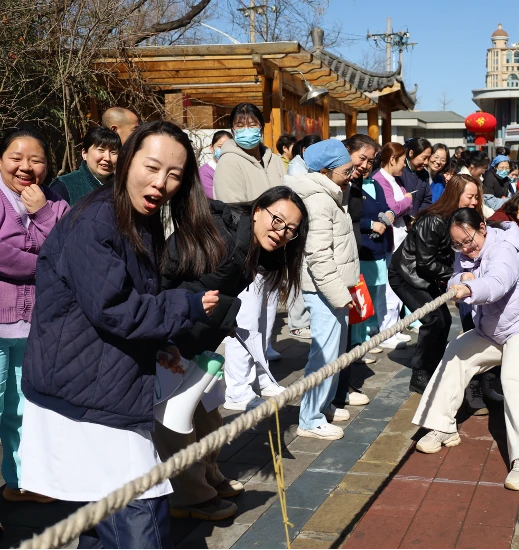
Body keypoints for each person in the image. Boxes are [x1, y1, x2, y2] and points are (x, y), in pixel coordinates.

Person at [19, 121, 223, 548]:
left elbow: (123, 303)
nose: (161, 183)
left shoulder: (136, 217)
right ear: (127, 161)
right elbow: (116, 309)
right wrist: (183, 308)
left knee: (100, 526)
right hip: (86, 397)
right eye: (152, 167)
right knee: (139, 524)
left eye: (174, 175)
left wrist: (159, 345)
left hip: (102, 385)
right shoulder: (97, 219)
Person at [155, 186, 308, 521]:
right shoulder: (222, 238)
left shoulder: (249, 245)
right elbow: (175, 285)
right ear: (258, 210)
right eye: (277, 220)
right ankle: (191, 496)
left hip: (196, 338)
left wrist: (220, 318)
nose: (282, 233)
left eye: (291, 230)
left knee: (209, 411)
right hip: (167, 337)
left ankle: (209, 476)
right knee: (175, 420)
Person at [412, 208, 519, 491]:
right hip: (492, 330)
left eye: (468, 240)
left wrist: (470, 289)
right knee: (456, 351)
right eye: (458, 244)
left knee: (514, 377)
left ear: (482, 227)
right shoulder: (464, 253)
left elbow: (497, 283)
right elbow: (455, 278)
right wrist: (459, 283)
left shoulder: (505, 249)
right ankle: (441, 426)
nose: (465, 248)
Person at [0, 127, 69, 504]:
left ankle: (22, 480)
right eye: (16, 157)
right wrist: (45, 263)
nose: (25, 167)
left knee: (28, 409)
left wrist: (40, 212)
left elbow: (68, 250)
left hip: (36, 327)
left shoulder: (54, 201)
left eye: (36, 159)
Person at [214, 103, 290, 409]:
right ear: (233, 128)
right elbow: (233, 208)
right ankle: (237, 388)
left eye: (252, 122)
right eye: (240, 123)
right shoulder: (230, 161)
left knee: (265, 319)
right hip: (245, 250)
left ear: (261, 125)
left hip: (275, 248)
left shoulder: (273, 159)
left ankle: (261, 374)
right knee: (244, 320)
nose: (247, 129)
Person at [284, 140, 359, 440]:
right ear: (326, 171)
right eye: (346, 169)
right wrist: (341, 295)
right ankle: (310, 418)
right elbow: (318, 255)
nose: (352, 174)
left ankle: (322, 406)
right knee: (324, 354)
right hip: (325, 289)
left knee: (334, 351)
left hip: (334, 288)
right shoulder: (318, 200)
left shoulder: (329, 195)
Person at [389, 175, 482, 394]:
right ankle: (421, 375)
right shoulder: (433, 220)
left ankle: (435, 367)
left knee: (445, 319)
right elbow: (425, 263)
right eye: (470, 197)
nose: (474, 202)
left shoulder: (455, 219)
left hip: (429, 275)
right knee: (433, 320)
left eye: (476, 197)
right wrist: (459, 276)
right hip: (407, 275)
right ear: (455, 195)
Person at [345, 153, 393, 376]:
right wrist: (372, 224)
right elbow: (353, 217)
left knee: (373, 294)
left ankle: (366, 338)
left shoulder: (374, 183)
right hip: (362, 248)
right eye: (362, 161)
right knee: (359, 299)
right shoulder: (351, 186)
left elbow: (385, 205)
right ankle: (358, 342)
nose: (366, 167)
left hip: (379, 248)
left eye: (370, 162)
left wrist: (389, 215)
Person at [373, 142, 415, 350]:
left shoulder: (393, 180)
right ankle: (386, 331)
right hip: (389, 241)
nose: (404, 166)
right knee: (388, 290)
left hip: (399, 238)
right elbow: (391, 208)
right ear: (392, 160)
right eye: (402, 161)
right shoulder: (380, 180)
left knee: (396, 287)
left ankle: (394, 328)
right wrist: (407, 201)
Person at [284, 134, 323, 341]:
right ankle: (298, 323)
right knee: (298, 274)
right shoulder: (297, 168)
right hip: (298, 228)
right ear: (306, 150)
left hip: (308, 226)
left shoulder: (310, 167)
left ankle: (303, 319)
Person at [50, 126, 121, 206]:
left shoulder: (122, 186)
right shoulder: (64, 186)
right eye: (101, 150)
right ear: (84, 154)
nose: (107, 158)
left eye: (113, 152)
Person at [399, 137, 433, 218]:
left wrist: (417, 217)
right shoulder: (399, 172)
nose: (426, 162)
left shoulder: (424, 174)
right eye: (424, 158)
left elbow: (426, 199)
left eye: (428, 158)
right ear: (411, 153)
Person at [198, 130, 232, 200]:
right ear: (211, 147)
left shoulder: (236, 168)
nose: (224, 150)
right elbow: (213, 195)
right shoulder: (204, 172)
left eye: (228, 147)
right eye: (220, 146)